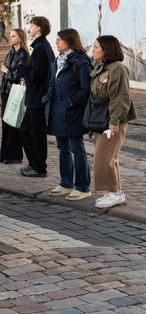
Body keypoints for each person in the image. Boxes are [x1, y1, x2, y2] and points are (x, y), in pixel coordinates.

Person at [42, 29, 93, 200]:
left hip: (72, 112)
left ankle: (83, 186)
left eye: (59, 40)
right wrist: (48, 97)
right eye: (56, 40)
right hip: (57, 112)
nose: (56, 42)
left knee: (77, 149)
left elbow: (87, 90)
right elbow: (53, 83)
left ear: (69, 41)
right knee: (62, 148)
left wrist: (69, 102)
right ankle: (66, 183)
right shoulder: (58, 60)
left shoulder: (81, 61)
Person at [90, 35, 137, 208]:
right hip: (103, 118)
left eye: (96, 47)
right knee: (109, 158)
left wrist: (114, 121)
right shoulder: (102, 66)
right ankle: (114, 192)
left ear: (106, 50)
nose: (93, 50)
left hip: (112, 119)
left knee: (104, 158)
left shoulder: (117, 68)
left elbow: (120, 97)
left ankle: (115, 194)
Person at [16, 16, 56, 178]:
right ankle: (34, 163)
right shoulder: (41, 46)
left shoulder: (40, 48)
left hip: (37, 98)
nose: (29, 28)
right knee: (26, 129)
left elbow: (37, 74)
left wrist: (22, 69)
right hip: (35, 97)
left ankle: (40, 167)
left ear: (38, 28)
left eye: (32, 25)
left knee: (37, 133)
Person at [0, 29, 31, 164]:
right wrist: (7, 74)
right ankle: (5, 154)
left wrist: (6, 71)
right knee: (6, 122)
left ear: (20, 38)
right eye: (10, 36)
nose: (10, 38)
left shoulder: (24, 55)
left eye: (13, 36)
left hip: (15, 92)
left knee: (14, 121)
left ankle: (14, 156)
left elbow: (18, 76)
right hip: (5, 91)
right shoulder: (10, 53)